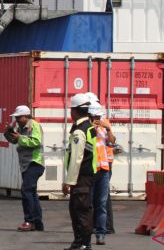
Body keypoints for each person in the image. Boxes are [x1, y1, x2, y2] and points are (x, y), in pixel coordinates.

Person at [63, 93, 97, 250]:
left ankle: (82, 243)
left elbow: (76, 158)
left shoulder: (79, 131)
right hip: (89, 175)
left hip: (81, 177)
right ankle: (82, 243)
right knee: (83, 209)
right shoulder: (90, 127)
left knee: (79, 211)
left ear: (75, 111)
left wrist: (69, 182)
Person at [6, 105, 45, 232]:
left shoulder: (33, 125)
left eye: (18, 117)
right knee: (32, 193)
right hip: (26, 164)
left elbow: (36, 141)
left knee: (26, 191)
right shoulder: (21, 127)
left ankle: (29, 221)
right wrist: (8, 133)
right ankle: (37, 223)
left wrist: (20, 138)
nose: (16, 119)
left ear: (25, 116)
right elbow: (14, 141)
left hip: (34, 162)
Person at [89, 102, 116, 246]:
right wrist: (92, 127)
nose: (97, 118)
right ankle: (86, 233)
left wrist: (108, 128)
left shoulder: (105, 125)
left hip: (104, 168)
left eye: (98, 116)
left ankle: (101, 234)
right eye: (94, 116)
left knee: (101, 203)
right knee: (89, 203)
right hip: (91, 169)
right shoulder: (86, 127)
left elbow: (112, 142)